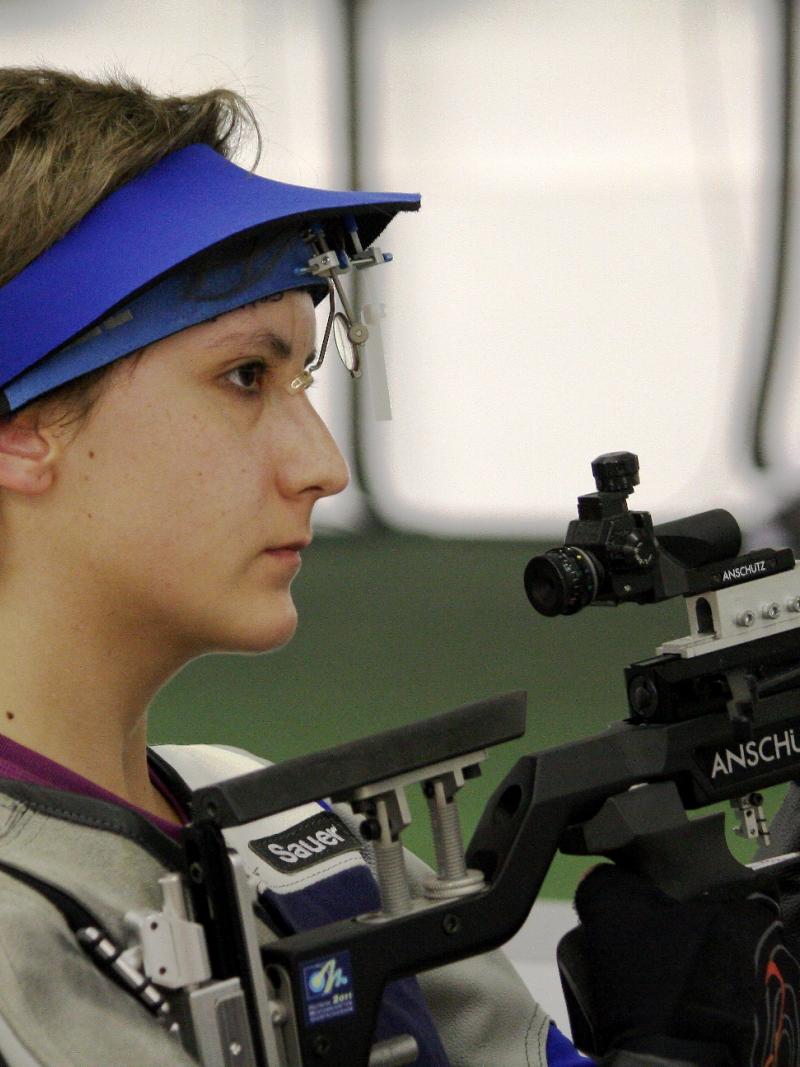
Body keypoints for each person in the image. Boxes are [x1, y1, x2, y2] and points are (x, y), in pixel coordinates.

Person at [0, 66, 594, 1067]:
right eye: (244, 376)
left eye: (302, 375)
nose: (321, 465)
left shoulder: (268, 813)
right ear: (22, 431)